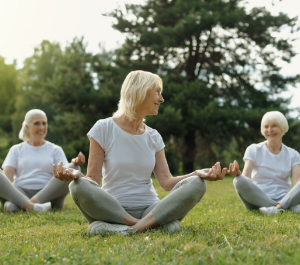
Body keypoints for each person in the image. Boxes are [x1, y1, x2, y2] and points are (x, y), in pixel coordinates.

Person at [52, 70, 227, 235]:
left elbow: (166, 182)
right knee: (77, 186)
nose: (162, 99)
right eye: (157, 92)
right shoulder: (103, 128)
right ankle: (149, 226)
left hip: (150, 209)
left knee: (197, 183)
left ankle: (127, 230)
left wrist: (196, 174)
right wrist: (77, 175)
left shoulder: (154, 136)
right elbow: (93, 181)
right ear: (140, 91)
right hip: (112, 209)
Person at [0, 109, 85, 212]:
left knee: (74, 168)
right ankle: (32, 206)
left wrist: (74, 163)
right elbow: (5, 180)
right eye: (37, 123)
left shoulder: (56, 150)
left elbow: (64, 176)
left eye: (44, 123)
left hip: (48, 194)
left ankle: (22, 205)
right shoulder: (16, 150)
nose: (41, 127)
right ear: (27, 127)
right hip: (20, 193)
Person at [227, 111, 300, 216]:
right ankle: (289, 208)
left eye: (274, 126)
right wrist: (238, 175)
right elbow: (246, 178)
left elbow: (297, 184)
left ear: (283, 128)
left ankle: (276, 209)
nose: (269, 130)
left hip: (285, 197)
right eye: (266, 126)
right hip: (257, 200)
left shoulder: (293, 154)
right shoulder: (253, 149)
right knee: (239, 180)